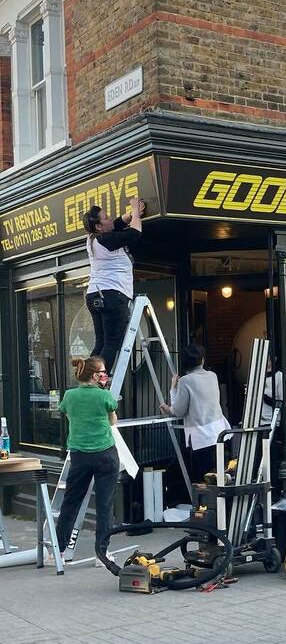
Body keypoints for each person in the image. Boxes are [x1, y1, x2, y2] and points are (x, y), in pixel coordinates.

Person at [53, 357, 120, 569]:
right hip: (105, 453)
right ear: (94, 375)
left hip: (79, 455)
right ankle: (102, 553)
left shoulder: (69, 396)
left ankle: (59, 551)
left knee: (71, 503)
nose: (105, 375)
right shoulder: (104, 396)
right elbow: (113, 420)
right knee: (104, 504)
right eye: (102, 372)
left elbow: (69, 417)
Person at [83, 196, 144, 374]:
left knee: (100, 342)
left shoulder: (94, 239)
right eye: (106, 217)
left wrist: (128, 216)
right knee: (111, 343)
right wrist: (134, 212)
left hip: (94, 294)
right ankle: (98, 380)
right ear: (99, 227)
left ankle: (87, 378)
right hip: (113, 294)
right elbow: (135, 233)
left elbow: (115, 224)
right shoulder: (107, 240)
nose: (110, 218)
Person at [159, 343, 230, 484]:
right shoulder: (213, 376)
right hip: (221, 432)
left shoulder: (186, 381)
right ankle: (221, 505)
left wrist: (172, 390)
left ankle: (206, 505)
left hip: (201, 437)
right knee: (221, 476)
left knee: (204, 479)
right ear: (202, 360)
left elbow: (178, 410)